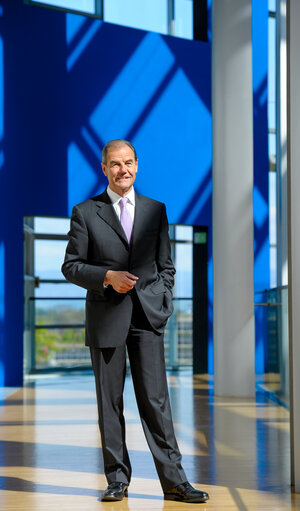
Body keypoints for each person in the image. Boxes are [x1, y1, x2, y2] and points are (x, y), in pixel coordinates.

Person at [62, 139, 209, 503]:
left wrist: (163, 299)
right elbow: (71, 266)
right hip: (106, 317)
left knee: (156, 402)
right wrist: (107, 277)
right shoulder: (85, 212)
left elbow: (166, 266)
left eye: (128, 162)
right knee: (109, 403)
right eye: (115, 164)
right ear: (104, 168)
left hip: (147, 318)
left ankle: (175, 482)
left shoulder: (155, 211)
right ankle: (117, 480)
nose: (122, 169)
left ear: (137, 165)